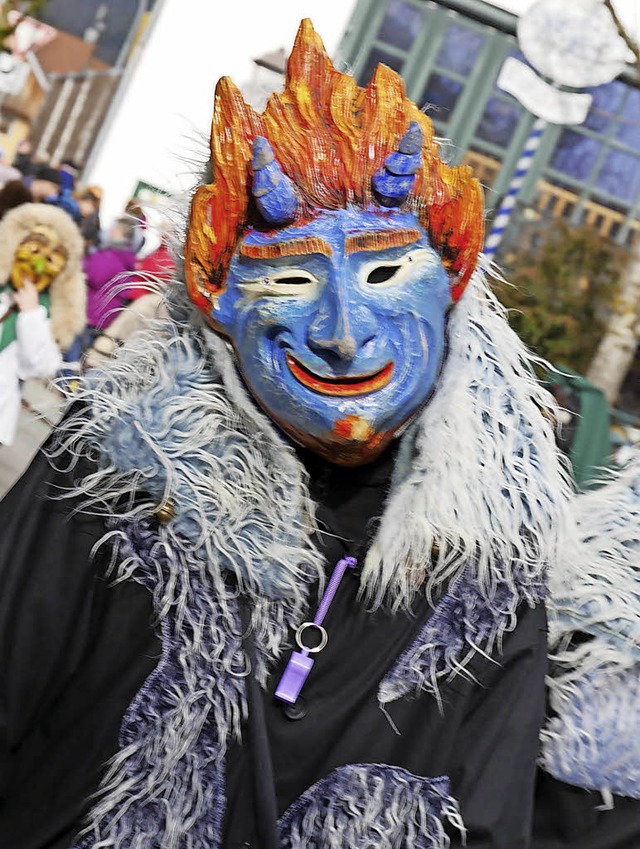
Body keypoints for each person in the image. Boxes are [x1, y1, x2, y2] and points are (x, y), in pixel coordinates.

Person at [0, 19, 638, 849]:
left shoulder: (491, 573)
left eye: (381, 272)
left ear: (449, 289)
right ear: (220, 300)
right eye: (294, 278)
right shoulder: (112, 474)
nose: (343, 330)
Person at [0, 202, 86, 446]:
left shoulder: (46, 312)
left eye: (50, 258)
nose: (38, 265)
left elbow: (40, 366)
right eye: (34, 249)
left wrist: (30, 314)